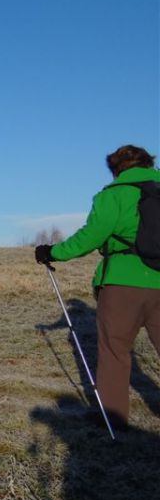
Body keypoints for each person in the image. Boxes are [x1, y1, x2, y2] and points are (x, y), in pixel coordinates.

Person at [35, 144, 160, 429]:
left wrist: (52, 252)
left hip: (123, 283)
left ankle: (112, 417)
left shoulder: (113, 195)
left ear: (115, 168)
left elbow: (90, 237)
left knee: (115, 349)